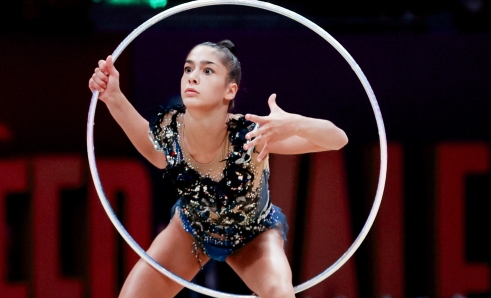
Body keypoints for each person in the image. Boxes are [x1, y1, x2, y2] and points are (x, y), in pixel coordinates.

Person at [88, 40, 348, 298]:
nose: (193, 77)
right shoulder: (172, 127)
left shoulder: (250, 136)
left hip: (252, 235)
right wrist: (113, 97)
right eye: (188, 69)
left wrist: (296, 124)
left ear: (230, 90)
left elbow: (338, 140)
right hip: (192, 229)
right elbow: (158, 155)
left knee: (279, 293)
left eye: (207, 71)